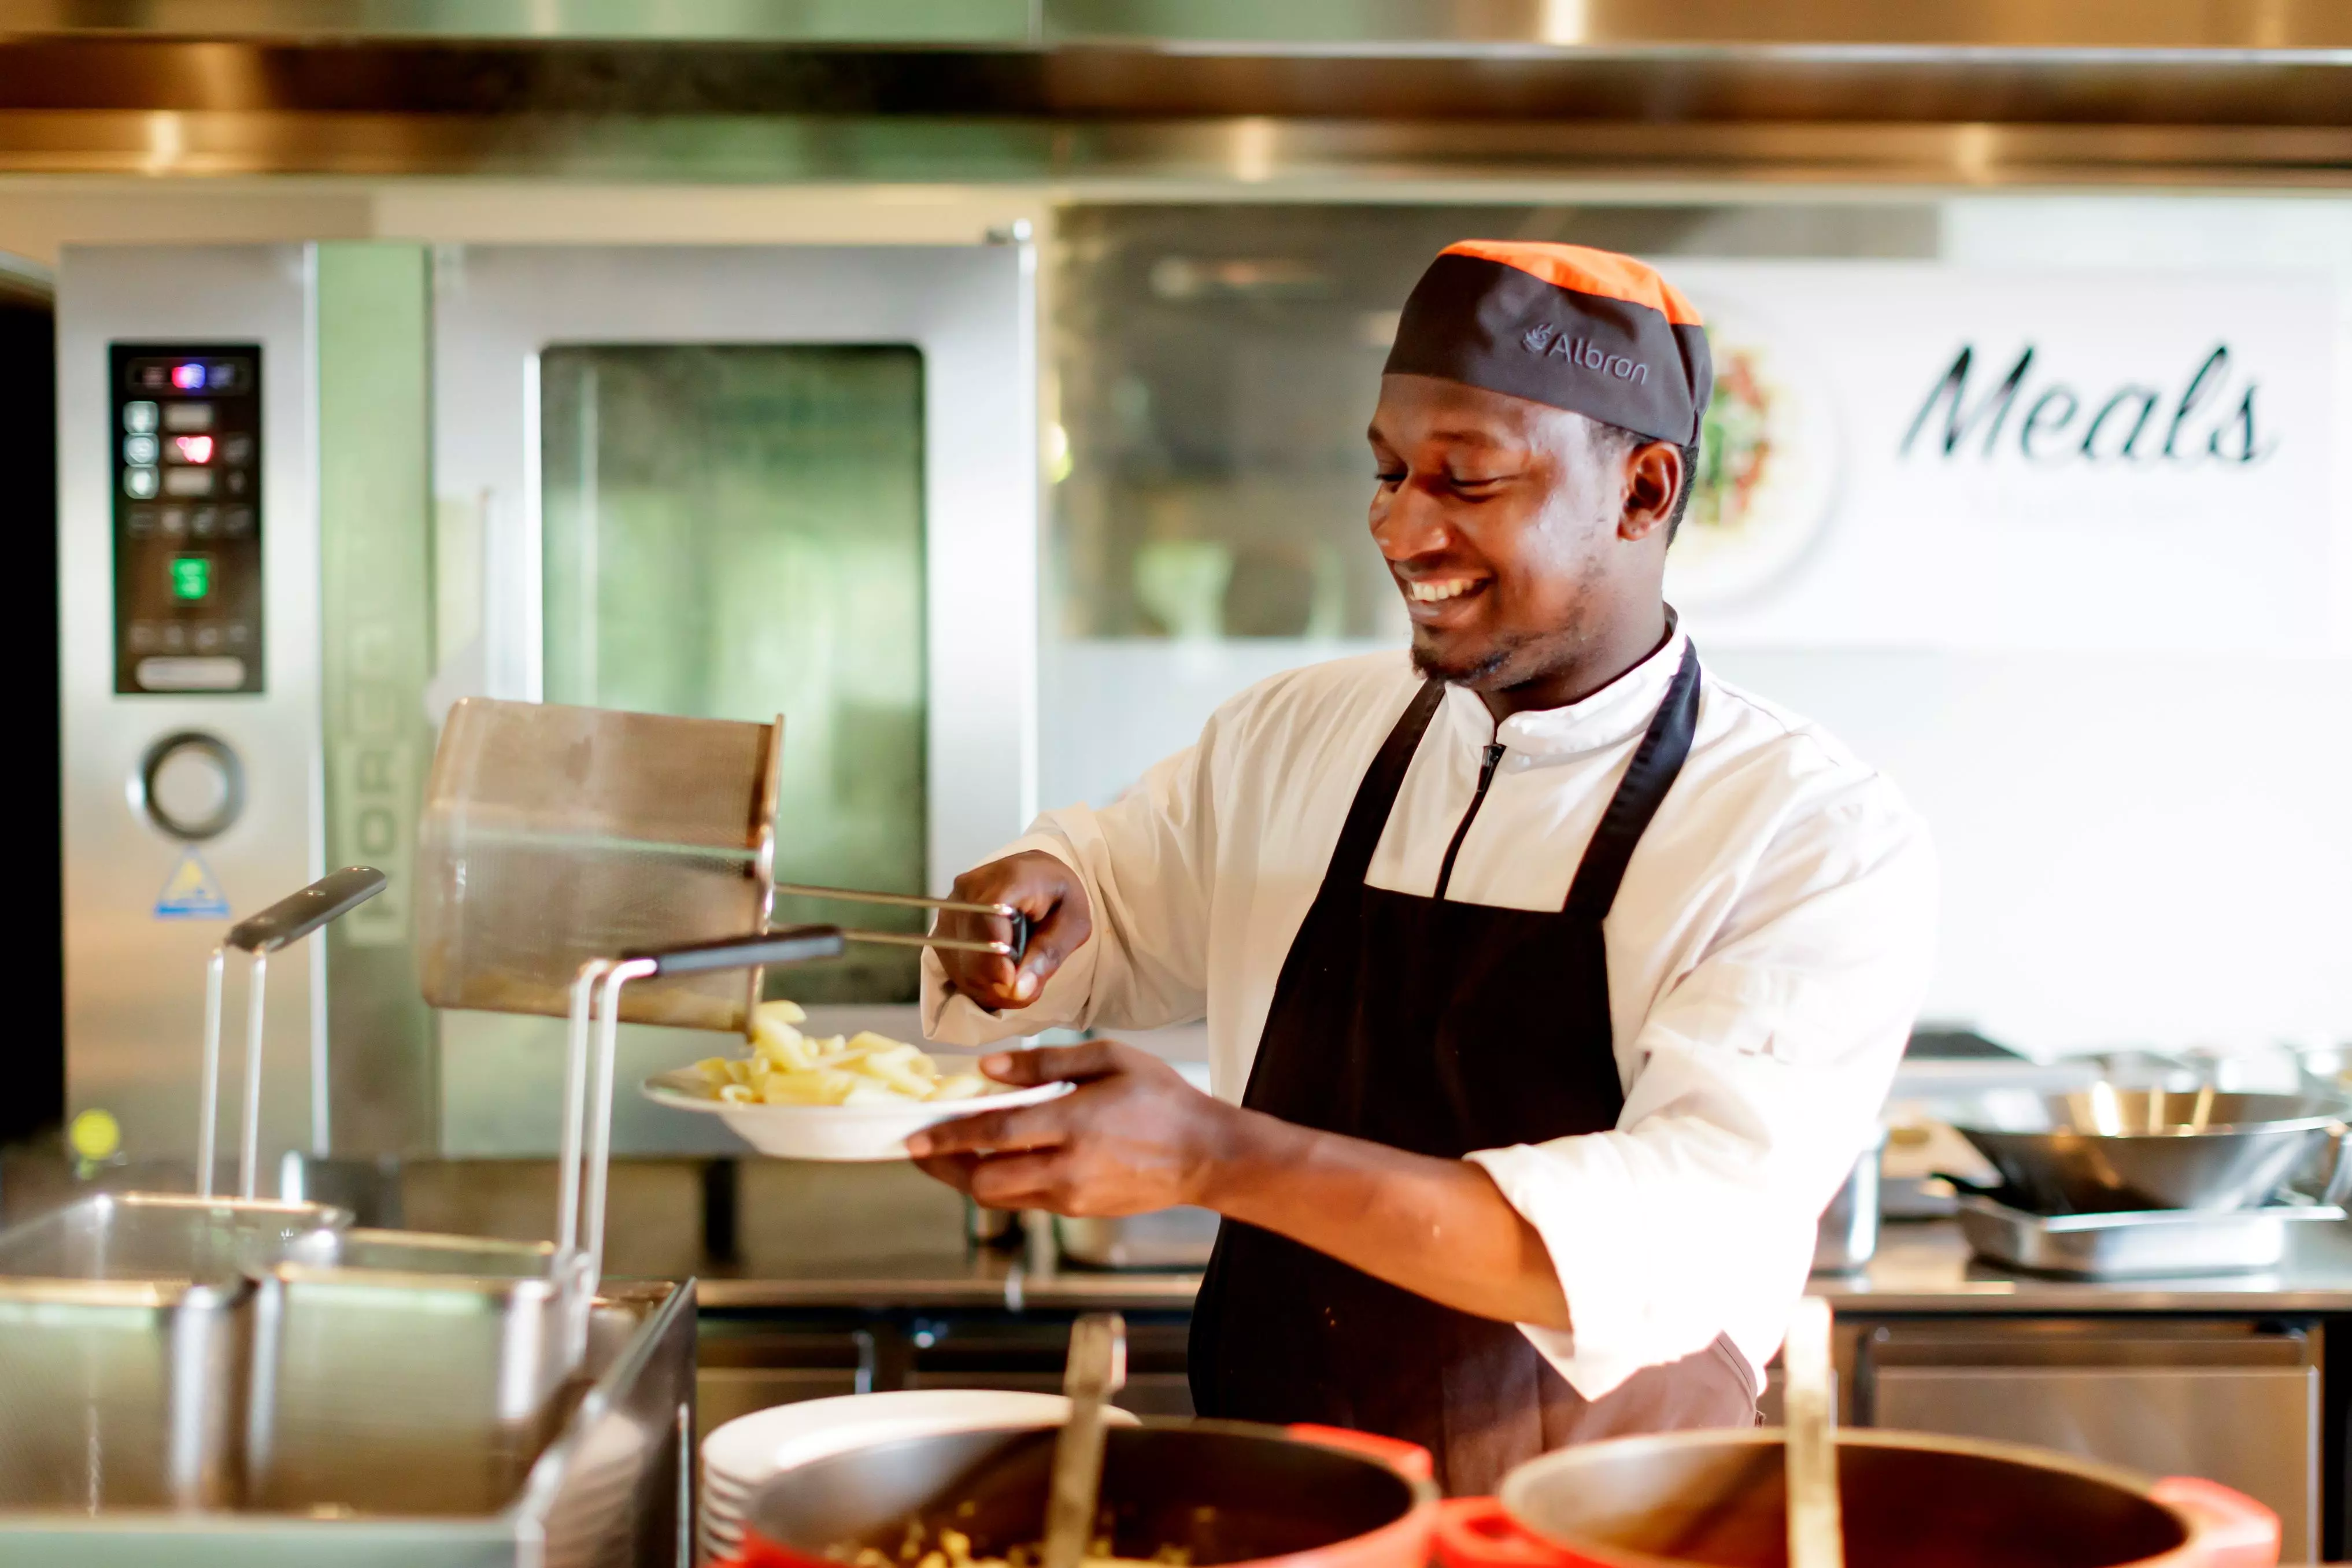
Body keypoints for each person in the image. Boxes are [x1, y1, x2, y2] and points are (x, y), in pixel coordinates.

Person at [907, 240, 1937, 1495]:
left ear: (1644, 491)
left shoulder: (1803, 829)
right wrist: (1027, 909)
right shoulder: (1304, 730)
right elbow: (1117, 897)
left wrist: (1215, 1156)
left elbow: (1673, 1231)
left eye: (1469, 480)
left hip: (1599, 1529)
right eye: (1388, 473)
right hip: (1279, 1504)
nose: (1402, 527)